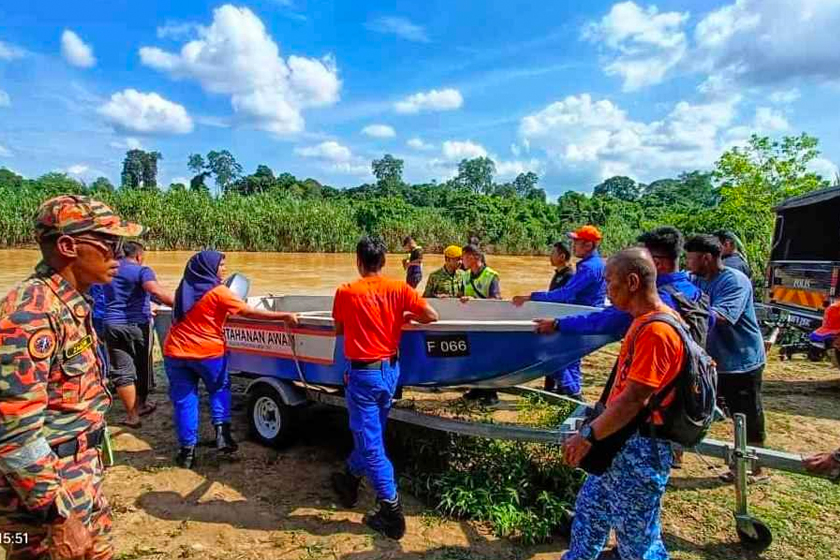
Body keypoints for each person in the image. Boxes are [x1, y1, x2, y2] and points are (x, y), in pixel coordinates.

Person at [0, 194, 144, 560]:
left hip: (79, 475)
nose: (119, 254)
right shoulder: (30, 316)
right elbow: (15, 435)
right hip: (43, 502)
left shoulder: (72, 304)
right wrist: (58, 518)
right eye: (109, 244)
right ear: (67, 246)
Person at [561, 248, 684, 560]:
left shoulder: (657, 331)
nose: (607, 291)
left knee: (637, 542)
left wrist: (588, 435)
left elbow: (633, 400)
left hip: (639, 449)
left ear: (631, 282)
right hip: (617, 442)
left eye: (610, 283)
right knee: (589, 514)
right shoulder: (641, 322)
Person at [330, 237, 439, 540]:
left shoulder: (346, 292)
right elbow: (432, 316)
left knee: (372, 445)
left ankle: (392, 513)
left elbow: (338, 329)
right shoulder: (400, 289)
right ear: (385, 262)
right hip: (391, 371)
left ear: (358, 261)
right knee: (372, 431)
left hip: (364, 376)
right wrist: (401, 316)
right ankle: (350, 478)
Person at [163, 251, 298, 469]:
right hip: (208, 353)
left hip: (175, 352)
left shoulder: (183, 289)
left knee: (185, 401)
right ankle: (223, 435)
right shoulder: (219, 293)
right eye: (221, 265)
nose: (224, 269)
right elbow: (249, 312)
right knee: (219, 389)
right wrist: (283, 316)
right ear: (209, 268)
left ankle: (187, 453)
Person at [685, 235, 766, 480]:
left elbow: (719, 317)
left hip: (741, 360)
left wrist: (680, 309)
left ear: (706, 258)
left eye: (690, 258)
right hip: (712, 360)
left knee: (746, 414)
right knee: (702, 407)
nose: (687, 263)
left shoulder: (734, 281)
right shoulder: (695, 279)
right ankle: (680, 452)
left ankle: (755, 466)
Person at [514, 225, 606, 400]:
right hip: (585, 316)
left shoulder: (588, 268)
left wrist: (531, 297)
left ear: (588, 245)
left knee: (550, 355)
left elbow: (565, 293)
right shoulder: (597, 264)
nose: (573, 246)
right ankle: (571, 393)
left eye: (577, 242)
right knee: (571, 357)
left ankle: (573, 394)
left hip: (579, 317)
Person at [103, 241, 173, 428]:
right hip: (137, 325)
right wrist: (181, 305)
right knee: (142, 366)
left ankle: (132, 416)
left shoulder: (109, 268)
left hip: (111, 324)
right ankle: (141, 405)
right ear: (139, 256)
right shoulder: (142, 271)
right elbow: (154, 290)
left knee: (122, 370)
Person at [460, 244, 502, 404]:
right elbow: (461, 296)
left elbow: (497, 301)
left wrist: (475, 302)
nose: (462, 260)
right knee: (473, 357)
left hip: (488, 323)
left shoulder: (491, 276)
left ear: (475, 257)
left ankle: (491, 393)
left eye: (464, 256)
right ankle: (476, 388)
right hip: (470, 323)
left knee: (488, 358)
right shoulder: (465, 276)